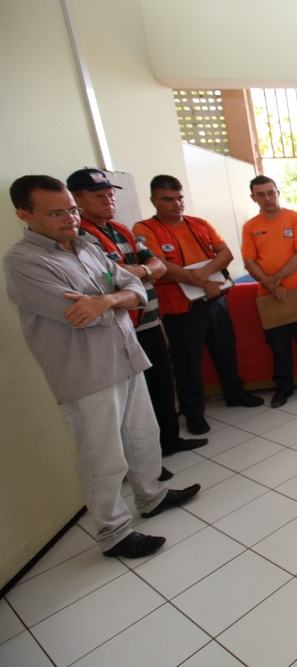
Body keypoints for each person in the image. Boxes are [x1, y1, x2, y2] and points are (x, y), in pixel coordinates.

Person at [4, 175, 200, 559]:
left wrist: (107, 300)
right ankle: (113, 533)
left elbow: (137, 291)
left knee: (143, 436)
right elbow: (80, 315)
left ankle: (151, 496)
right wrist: (114, 300)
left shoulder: (88, 245)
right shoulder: (24, 262)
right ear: (23, 214)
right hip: (86, 373)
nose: (69, 218)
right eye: (57, 212)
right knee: (102, 455)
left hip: (125, 356)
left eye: (72, 210)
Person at [69, 169, 207, 463]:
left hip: (150, 321)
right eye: (98, 196)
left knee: (161, 381)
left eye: (110, 194)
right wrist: (144, 273)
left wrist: (139, 272)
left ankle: (169, 440)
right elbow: (107, 277)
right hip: (120, 328)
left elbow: (157, 265)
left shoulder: (121, 230)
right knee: (135, 396)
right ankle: (146, 459)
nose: (108, 201)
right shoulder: (79, 236)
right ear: (77, 199)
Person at [134, 176, 264, 435]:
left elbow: (225, 254)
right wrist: (204, 282)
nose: (176, 204)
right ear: (153, 200)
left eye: (179, 198)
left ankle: (234, 393)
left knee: (225, 350)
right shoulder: (145, 229)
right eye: (167, 199)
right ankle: (193, 413)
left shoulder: (200, 223)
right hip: (180, 309)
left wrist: (204, 274)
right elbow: (160, 267)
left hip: (215, 301)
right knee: (187, 363)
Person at [242, 175, 297, 408]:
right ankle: (283, 387)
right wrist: (271, 286)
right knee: (278, 346)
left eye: (271, 192)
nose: (267, 198)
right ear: (253, 198)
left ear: (278, 193)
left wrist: (277, 280)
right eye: (261, 194)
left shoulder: (295, 218)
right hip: (269, 296)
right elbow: (249, 261)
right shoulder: (251, 226)